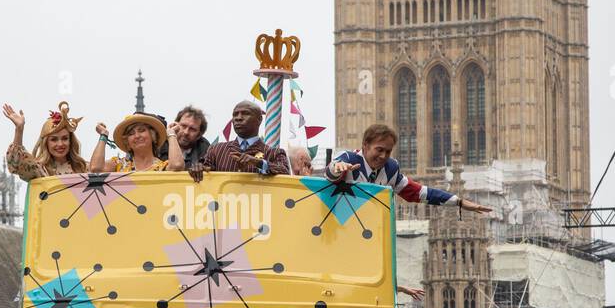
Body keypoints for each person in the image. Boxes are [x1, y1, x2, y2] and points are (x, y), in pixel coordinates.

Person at [325, 122, 492, 212]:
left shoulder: (391, 169)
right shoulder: (348, 159)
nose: (383, 156)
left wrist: (459, 202)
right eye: (379, 150)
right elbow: (330, 174)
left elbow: (421, 192)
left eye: (388, 151)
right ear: (365, 145)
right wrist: (337, 168)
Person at [4, 101, 88, 180]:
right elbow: (16, 164)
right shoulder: (39, 169)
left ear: (71, 141)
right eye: (54, 139)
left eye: (65, 138)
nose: (60, 144)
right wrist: (19, 129)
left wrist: (102, 137)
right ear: (46, 143)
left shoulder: (84, 168)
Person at [201, 101, 290, 176]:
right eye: (235, 114)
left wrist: (258, 163)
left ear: (259, 119)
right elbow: (204, 172)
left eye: (246, 113)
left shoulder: (274, 153)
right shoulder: (216, 150)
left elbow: (284, 172)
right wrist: (198, 169)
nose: (238, 118)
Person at [89, 113, 184, 174]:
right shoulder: (119, 165)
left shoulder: (163, 167)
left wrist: (171, 134)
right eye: (131, 133)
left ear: (153, 136)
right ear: (127, 143)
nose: (137, 136)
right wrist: (104, 135)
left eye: (141, 130)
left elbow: (177, 165)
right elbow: (95, 168)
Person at [161, 106, 210, 179]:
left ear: (199, 135)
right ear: (175, 125)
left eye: (192, 129)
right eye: (183, 126)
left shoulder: (205, 149)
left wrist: (202, 168)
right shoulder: (160, 144)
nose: (186, 132)